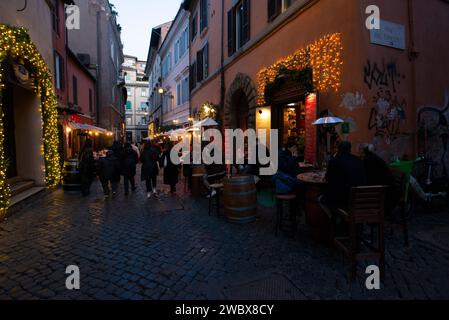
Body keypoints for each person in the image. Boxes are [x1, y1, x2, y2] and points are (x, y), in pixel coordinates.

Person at [320, 141, 367, 213]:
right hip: (358, 198)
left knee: (321, 200)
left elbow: (327, 179)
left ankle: (334, 218)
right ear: (350, 149)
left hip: (341, 199)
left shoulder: (334, 161)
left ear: (338, 149)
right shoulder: (358, 160)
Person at [359, 144, 397, 214]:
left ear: (365, 152)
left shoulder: (367, 160)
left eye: (362, 151)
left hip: (383, 190)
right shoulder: (375, 158)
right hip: (387, 188)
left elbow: (368, 176)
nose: (360, 153)